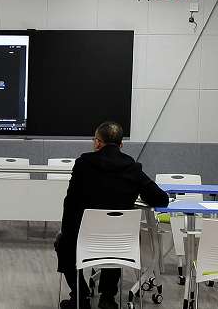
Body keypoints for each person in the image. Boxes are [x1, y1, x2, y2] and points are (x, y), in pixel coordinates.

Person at [56, 121, 168, 309]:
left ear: (97, 142)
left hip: (85, 239)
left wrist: (65, 231)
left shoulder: (83, 164)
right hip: (120, 242)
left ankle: (79, 296)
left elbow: (70, 202)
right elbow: (161, 199)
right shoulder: (133, 168)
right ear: (121, 145)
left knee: (63, 243)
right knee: (114, 241)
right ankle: (107, 298)